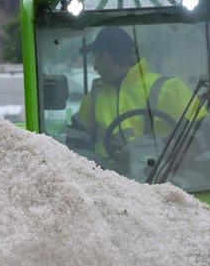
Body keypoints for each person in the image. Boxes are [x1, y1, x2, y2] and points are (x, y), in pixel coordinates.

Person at [67, 26, 199, 172]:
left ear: (105, 57)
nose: (95, 67)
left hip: (164, 177)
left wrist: (174, 149)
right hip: (107, 184)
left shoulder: (168, 88)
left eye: (96, 59)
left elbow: (203, 129)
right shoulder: (94, 97)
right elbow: (75, 141)